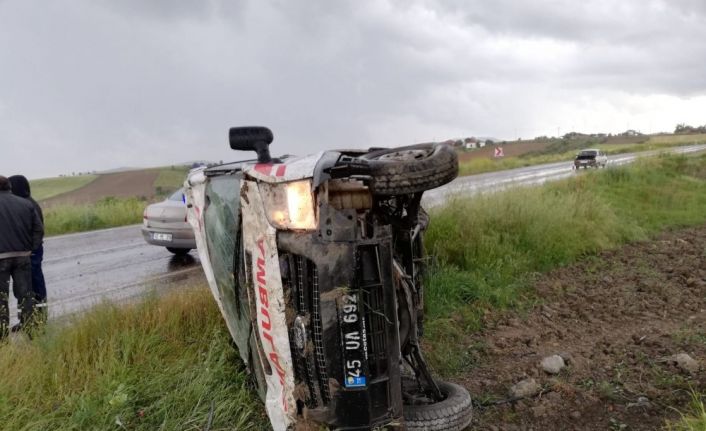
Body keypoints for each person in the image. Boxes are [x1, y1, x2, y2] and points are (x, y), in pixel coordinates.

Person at [0, 175, 43, 340]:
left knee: (1, 298)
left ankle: (2, 336)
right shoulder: (26, 204)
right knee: (25, 295)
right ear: (9, 187)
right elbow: (38, 229)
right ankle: (31, 329)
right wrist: (31, 248)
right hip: (23, 257)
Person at [8, 175, 47, 323]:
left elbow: (38, 230)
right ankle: (25, 319)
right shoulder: (24, 203)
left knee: (35, 283)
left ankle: (40, 316)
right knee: (22, 286)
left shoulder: (29, 205)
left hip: (31, 250)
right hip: (26, 250)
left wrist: (32, 249)